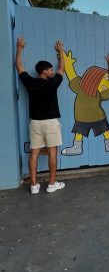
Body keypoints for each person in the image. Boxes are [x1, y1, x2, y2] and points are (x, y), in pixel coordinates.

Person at [15, 36, 65, 194]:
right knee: (52, 153)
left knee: (34, 153)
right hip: (50, 123)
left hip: (35, 123)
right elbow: (62, 69)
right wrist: (61, 52)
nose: (52, 71)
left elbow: (19, 66)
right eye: (50, 69)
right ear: (45, 71)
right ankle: (51, 185)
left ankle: (34, 186)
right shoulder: (53, 83)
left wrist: (19, 48)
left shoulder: (30, 82)